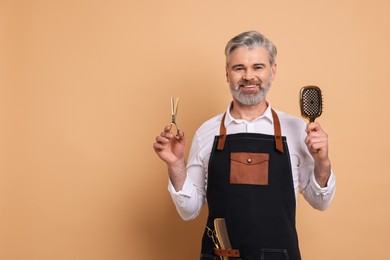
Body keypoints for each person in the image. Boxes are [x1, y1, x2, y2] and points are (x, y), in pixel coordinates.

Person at [153, 30, 336, 260]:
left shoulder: (298, 129)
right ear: (227, 74)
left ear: (273, 71)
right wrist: (176, 164)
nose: (249, 76)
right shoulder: (206, 133)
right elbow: (189, 212)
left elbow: (321, 202)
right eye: (239, 68)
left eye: (258, 67)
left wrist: (322, 161)